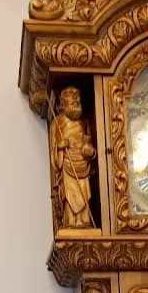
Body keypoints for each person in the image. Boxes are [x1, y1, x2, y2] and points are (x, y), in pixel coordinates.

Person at [50, 86, 96, 228]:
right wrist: (59, 146)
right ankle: (71, 221)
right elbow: (53, 149)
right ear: (63, 104)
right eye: (72, 101)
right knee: (70, 195)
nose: (76, 102)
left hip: (82, 166)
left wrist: (90, 152)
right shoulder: (57, 123)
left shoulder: (85, 122)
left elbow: (90, 145)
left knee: (84, 193)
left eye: (77, 101)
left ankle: (84, 221)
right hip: (67, 166)